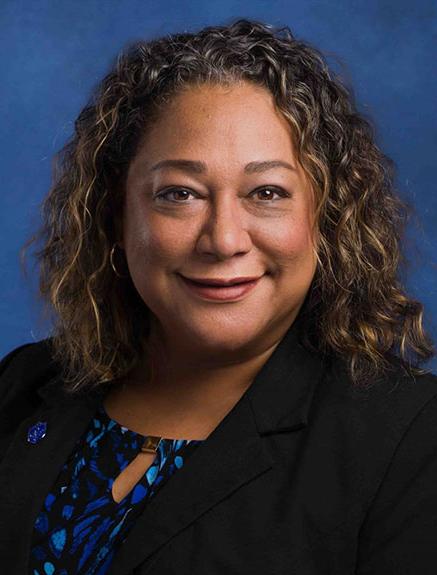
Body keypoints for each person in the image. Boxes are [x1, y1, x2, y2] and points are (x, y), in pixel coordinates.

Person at [0, 17, 436, 575]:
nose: (224, 239)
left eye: (267, 192)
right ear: (117, 214)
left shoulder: (410, 438)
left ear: (325, 218)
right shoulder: (26, 386)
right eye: (179, 194)